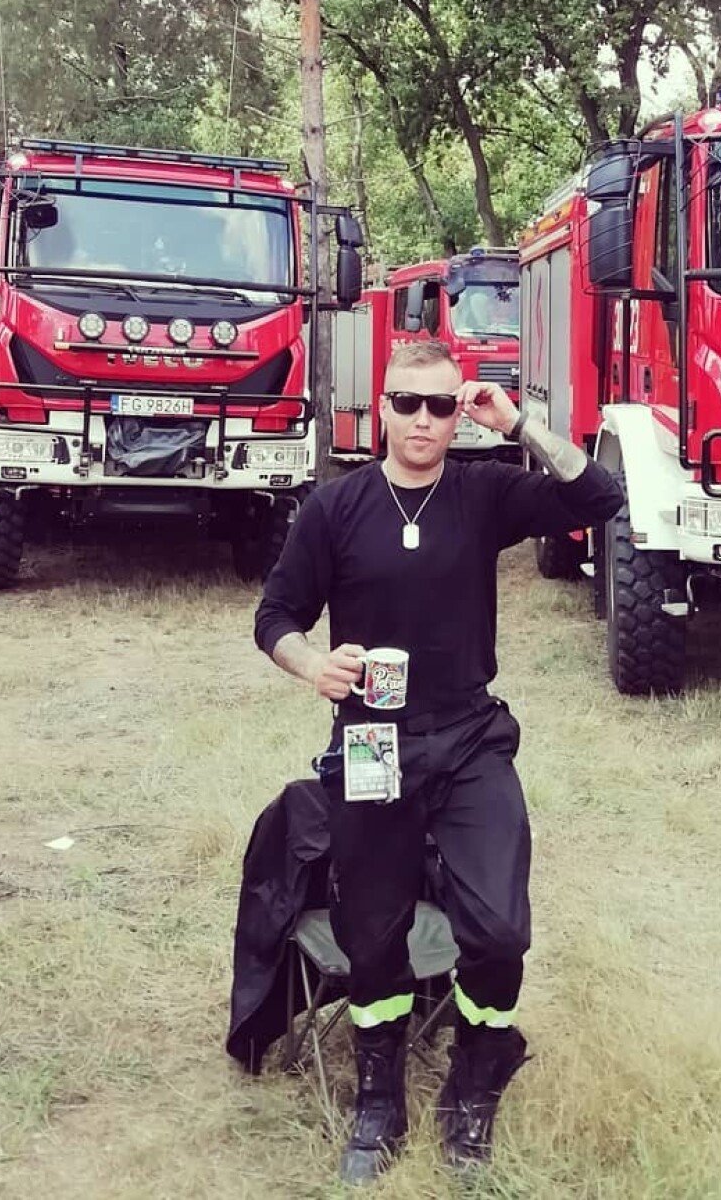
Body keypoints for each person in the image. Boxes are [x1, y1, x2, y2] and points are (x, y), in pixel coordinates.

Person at [253, 339, 621, 1185]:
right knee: (371, 933)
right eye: (408, 402)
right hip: (373, 740)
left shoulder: (484, 493)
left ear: (462, 412)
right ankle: (379, 1092)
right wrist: (313, 666)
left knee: (498, 927)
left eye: (442, 405)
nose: (424, 420)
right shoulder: (336, 508)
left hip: (467, 738)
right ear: (380, 407)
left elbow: (598, 495)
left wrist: (520, 422)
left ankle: (476, 1074)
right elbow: (275, 614)